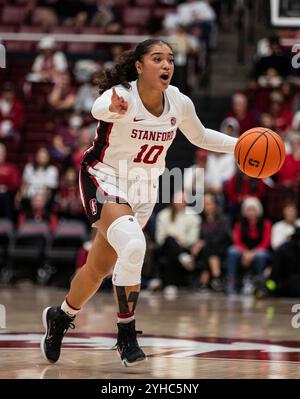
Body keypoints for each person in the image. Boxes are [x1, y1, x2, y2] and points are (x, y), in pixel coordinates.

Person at [40, 39, 237, 367]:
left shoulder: (177, 101)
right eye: (157, 59)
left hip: (143, 192)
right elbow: (97, 108)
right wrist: (112, 108)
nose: (166, 65)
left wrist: (241, 146)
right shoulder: (122, 95)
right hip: (104, 178)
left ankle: (60, 317)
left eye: (170, 60)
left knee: (99, 268)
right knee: (134, 245)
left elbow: (201, 136)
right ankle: (126, 333)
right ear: (139, 66)